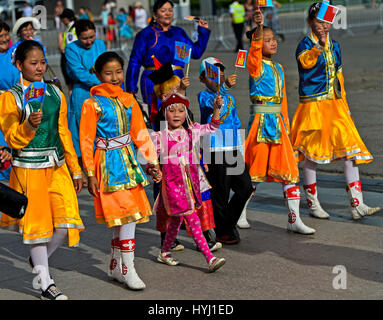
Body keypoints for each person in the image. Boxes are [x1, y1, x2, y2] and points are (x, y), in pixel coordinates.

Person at [0, 40, 84, 300]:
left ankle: (38, 261)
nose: (39, 68)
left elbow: (63, 132)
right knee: (37, 227)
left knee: (66, 223)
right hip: (27, 168)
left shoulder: (55, 93)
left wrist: (75, 167)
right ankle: (45, 281)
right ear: (19, 65)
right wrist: (28, 126)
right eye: (32, 63)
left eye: (42, 62)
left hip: (56, 166)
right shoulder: (9, 97)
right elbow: (11, 137)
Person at [291, 3, 380, 220]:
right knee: (312, 156)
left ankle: (357, 204)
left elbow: (338, 78)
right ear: (310, 22)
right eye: (319, 22)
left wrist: (345, 106)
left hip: (336, 105)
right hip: (314, 107)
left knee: (350, 153)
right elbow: (305, 63)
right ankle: (313, 204)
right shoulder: (305, 45)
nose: (324, 26)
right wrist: (318, 46)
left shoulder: (336, 46)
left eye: (327, 22)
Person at [79, 52, 160, 290]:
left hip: (129, 164)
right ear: (98, 75)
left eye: (118, 71)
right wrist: (90, 173)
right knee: (127, 214)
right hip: (107, 164)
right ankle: (128, 269)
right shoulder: (91, 104)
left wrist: (152, 162)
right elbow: (86, 140)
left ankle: (116, 266)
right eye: (108, 73)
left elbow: (140, 133)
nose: (115, 77)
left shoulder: (129, 99)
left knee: (122, 217)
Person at [241, 9, 315, 235]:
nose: (273, 43)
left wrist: (286, 126)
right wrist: (259, 27)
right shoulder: (256, 65)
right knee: (254, 172)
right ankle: (239, 213)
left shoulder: (279, 68)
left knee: (290, 170)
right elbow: (254, 49)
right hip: (260, 124)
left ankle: (294, 219)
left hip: (279, 126)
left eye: (274, 40)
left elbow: (282, 102)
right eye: (268, 40)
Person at [150, 91, 226, 272]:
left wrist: (216, 109)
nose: (176, 115)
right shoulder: (159, 137)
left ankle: (164, 252)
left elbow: (213, 126)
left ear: (186, 113)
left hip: (190, 185)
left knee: (176, 221)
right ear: (164, 113)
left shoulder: (192, 131)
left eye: (180, 110)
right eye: (172, 110)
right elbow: (149, 158)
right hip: (172, 186)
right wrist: (154, 170)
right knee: (192, 219)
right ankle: (209, 257)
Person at [198, 57, 254, 244]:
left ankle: (224, 225)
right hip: (214, 149)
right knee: (220, 193)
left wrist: (240, 146)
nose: (218, 78)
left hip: (232, 147)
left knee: (245, 187)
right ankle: (224, 230)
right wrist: (224, 88)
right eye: (212, 75)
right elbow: (213, 105)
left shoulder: (230, 97)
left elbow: (236, 122)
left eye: (220, 75)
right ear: (202, 79)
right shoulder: (204, 96)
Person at [125, 0, 210, 120]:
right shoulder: (146, 34)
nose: (168, 13)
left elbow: (195, 52)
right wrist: (131, 88)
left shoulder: (178, 32)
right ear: (155, 15)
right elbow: (134, 61)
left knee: (176, 117)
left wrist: (203, 32)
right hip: (153, 81)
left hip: (177, 80)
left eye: (170, 10)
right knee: (157, 118)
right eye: (163, 10)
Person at [65, 19, 106, 185]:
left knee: (101, 129)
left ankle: (100, 167)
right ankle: (84, 170)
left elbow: (106, 64)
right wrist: (102, 81)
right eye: (85, 38)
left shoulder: (101, 44)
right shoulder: (71, 48)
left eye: (91, 37)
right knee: (81, 131)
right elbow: (78, 73)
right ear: (78, 36)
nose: (89, 41)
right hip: (82, 93)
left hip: (102, 92)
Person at [0, 21, 20, 181]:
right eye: (1, 36)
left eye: (6, 34)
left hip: (20, 105)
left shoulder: (17, 52)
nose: (5, 38)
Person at [58, 8, 77, 96]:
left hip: (69, 59)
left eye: (62, 18)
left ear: (66, 18)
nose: (61, 20)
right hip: (72, 59)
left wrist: (60, 39)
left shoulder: (71, 30)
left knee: (71, 87)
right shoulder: (71, 28)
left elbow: (68, 48)